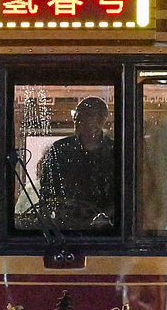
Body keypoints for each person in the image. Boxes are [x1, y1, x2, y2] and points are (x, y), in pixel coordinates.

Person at [38, 95, 117, 228]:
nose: (82, 122)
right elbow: (47, 190)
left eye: (91, 116)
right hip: (64, 230)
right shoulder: (59, 150)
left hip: (107, 233)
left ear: (102, 120)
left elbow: (124, 194)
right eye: (79, 117)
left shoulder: (114, 151)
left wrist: (105, 215)